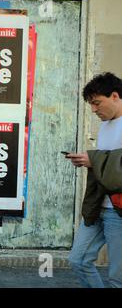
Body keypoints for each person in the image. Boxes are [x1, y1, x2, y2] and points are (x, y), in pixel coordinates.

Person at [66, 72, 122, 288]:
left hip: (118, 211)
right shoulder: (105, 126)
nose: (94, 110)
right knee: (78, 260)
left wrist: (94, 159)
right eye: (91, 104)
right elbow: (107, 164)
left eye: (97, 103)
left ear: (115, 96)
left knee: (118, 277)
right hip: (98, 206)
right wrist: (87, 160)